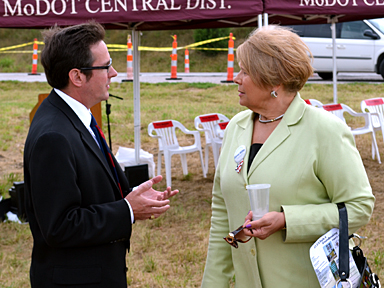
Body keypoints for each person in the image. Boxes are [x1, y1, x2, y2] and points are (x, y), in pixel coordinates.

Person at [201, 25, 375, 288]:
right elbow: (222, 217)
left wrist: (287, 220)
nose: (236, 78)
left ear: (274, 81)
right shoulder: (236, 128)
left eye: (245, 72)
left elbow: (358, 207)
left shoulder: (325, 130)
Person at [23, 21, 178, 288]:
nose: (114, 73)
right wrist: (127, 210)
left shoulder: (75, 117)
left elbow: (91, 186)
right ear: (77, 76)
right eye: (106, 66)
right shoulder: (54, 136)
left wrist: (133, 196)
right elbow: (59, 226)